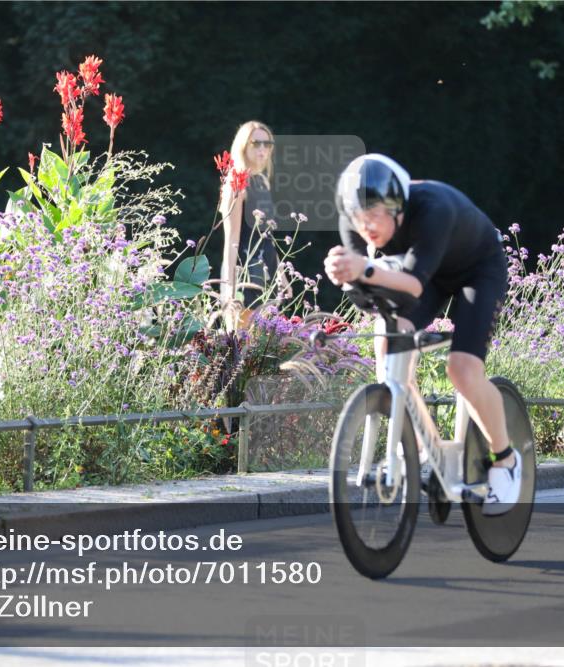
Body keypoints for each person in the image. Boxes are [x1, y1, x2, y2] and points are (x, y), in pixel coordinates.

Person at [323, 154, 520, 515]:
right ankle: (415, 439)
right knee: (388, 345)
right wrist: (343, 273)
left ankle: (506, 460)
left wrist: (363, 267)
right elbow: (368, 280)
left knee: (462, 370)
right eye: (358, 217)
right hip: (423, 274)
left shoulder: (433, 209)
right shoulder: (353, 220)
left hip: (475, 271)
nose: (365, 226)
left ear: (398, 207)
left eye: (375, 214)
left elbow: (411, 283)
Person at [219, 121, 279, 318]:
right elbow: (232, 241)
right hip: (245, 273)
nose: (262, 149)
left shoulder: (262, 182)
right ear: (243, 146)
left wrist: (282, 277)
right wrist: (229, 288)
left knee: (267, 343)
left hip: (268, 271)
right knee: (246, 343)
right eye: (256, 143)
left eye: (267, 144)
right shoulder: (235, 185)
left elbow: (267, 236)